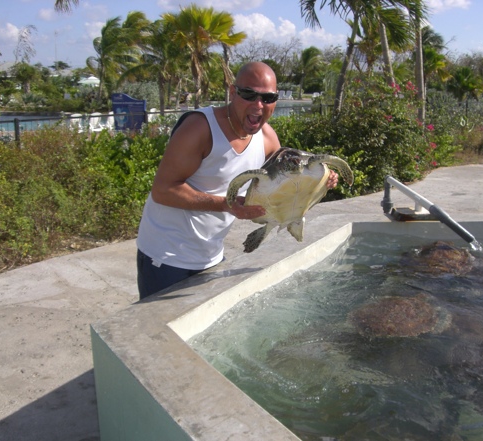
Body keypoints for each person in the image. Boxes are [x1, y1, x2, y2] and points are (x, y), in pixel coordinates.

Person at [136, 61, 338, 299]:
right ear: (232, 93)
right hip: (165, 255)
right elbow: (163, 191)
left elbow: (284, 180)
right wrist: (226, 205)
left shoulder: (267, 139)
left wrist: (321, 180)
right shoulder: (199, 128)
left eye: (268, 97)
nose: (258, 105)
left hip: (211, 254)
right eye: (248, 94)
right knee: (160, 331)